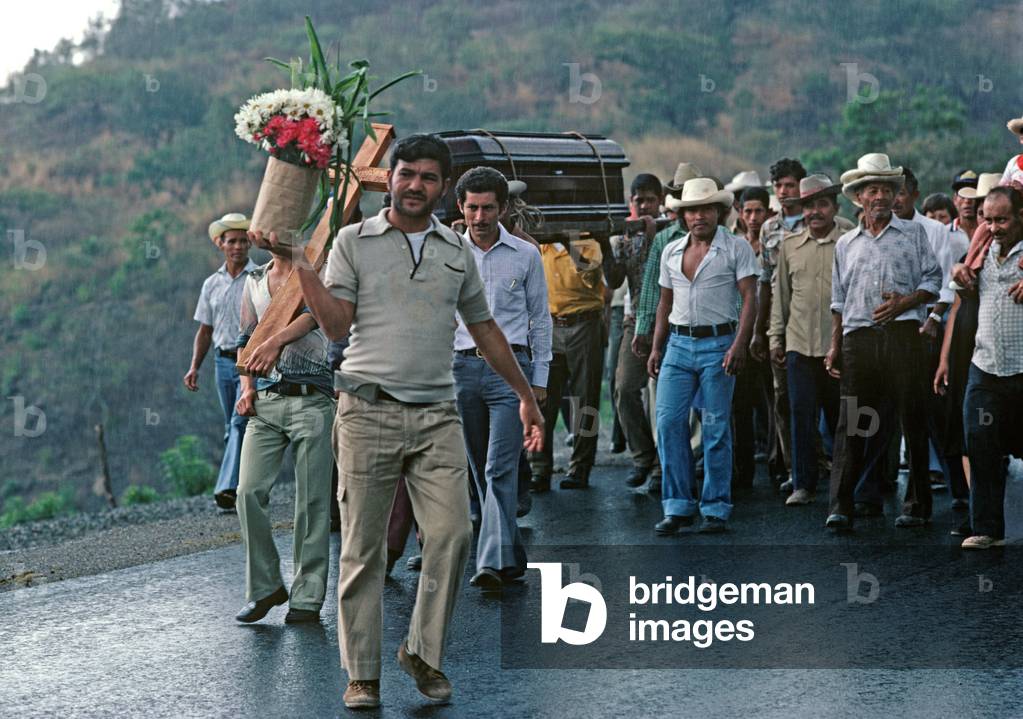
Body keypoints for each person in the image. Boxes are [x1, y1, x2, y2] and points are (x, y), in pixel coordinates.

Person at [286, 134, 544, 709]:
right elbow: (333, 327)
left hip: (436, 415)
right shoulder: (353, 241)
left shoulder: (456, 251)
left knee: (452, 535)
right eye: (407, 173)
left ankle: (423, 653)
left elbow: (485, 330)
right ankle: (363, 675)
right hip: (365, 410)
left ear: (442, 187)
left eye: (429, 177)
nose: (415, 184)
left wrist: (526, 396)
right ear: (391, 178)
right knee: (364, 548)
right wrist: (304, 267)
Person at [824, 153, 942, 532]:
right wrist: (834, 344)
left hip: (902, 336)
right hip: (858, 339)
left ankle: (918, 504)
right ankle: (842, 505)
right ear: (858, 197)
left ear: (897, 195)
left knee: (911, 417)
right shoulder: (845, 244)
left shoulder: (913, 234)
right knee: (853, 422)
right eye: (871, 190)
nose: (879, 196)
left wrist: (903, 303)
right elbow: (838, 301)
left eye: (886, 190)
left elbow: (933, 282)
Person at [452, 166, 552, 590]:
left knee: (498, 467)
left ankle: (490, 562)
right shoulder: (450, 253)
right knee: (478, 467)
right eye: (472, 208)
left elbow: (540, 319)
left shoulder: (525, 254)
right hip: (462, 368)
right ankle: (511, 557)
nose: (479, 216)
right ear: (460, 208)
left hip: (513, 372)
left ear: (503, 208)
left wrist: (539, 380)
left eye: (488, 207)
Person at [232, 232, 336, 626]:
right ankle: (266, 586)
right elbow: (244, 339)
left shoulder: (317, 271)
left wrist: (276, 341)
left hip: (313, 397)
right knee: (247, 492)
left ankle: (307, 597)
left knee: (311, 501)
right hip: (268, 398)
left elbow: (318, 315)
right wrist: (246, 388)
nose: (267, 237)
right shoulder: (255, 280)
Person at [647, 178, 759, 535]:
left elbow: (750, 298)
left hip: (718, 343)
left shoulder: (737, 248)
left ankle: (715, 506)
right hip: (678, 344)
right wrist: (656, 347)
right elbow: (665, 302)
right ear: (683, 216)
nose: (699, 216)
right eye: (692, 210)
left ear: (719, 212)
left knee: (715, 427)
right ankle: (678, 506)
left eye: (706, 209)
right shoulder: (671, 250)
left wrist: (740, 344)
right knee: (668, 423)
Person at [952, 187, 1023, 549]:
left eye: (1003, 219)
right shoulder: (982, 252)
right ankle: (985, 529)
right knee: (979, 442)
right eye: (989, 220)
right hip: (986, 364)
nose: (994, 227)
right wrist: (959, 273)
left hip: (1022, 367)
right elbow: (959, 288)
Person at [768, 175, 844, 506]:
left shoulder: (849, 241)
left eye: (822, 204)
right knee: (800, 414)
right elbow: (780, 298)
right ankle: (803, 484)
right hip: (799, 344)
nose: (815, 211)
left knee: (843, 417)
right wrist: (775, 339)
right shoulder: (789, 246)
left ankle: (845, 486)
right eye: (809, 205)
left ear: (834, 208)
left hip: (837, 346)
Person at [529, 207, 611, 493]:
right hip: (548, 327)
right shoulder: (537, 244)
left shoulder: (586, 242)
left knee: (585, 401)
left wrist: (568, 240)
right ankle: (539, 468)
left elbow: (591, 275)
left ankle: (581, 466)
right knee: (542, 400)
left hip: (583, 325)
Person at [184, 213, 257, 510]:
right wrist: (194, 367)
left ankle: (227, 487)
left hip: (249, 363)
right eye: (232, 241)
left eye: (243, 241)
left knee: (240, 421)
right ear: (221, 244)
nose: (238, 247)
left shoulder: (258, 277)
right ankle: (242, 484)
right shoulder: (211, 284)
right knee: (232, 424)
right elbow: (205, 329)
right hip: (221, 361)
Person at [751, 158, 808, 489]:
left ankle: (823, 461)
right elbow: (763, 280)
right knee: (783, 397)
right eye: (779, 186)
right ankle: (793, 468)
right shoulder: (769, 228)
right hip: (779, 321)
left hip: (811, 317)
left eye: (790, 185)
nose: (784, 192)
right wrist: (760, 331)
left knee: (819, 396)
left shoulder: (818, 222)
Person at [610, 173, 665, 491]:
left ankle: (662, 464)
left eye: (649, 199)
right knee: (625, 389)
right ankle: (643, 456)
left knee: (665, 400)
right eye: (638, 200)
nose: (643, 205)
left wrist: (652, 231)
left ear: (660, 201)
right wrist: (608, 244)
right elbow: (614, 280)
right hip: (635, 321)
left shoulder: (672, 233)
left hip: (669, 322)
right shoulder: (626, 239)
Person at [731, 185, 778, 490]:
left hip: (771, 332)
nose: (753, 217)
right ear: (739, 213)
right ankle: (743, 469)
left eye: (758, 211)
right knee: (740, 406)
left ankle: (778, 465)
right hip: (741, 334)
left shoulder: (774, 245)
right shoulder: (734, 246)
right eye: (747, 211)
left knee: (774, 404)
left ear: (768, 212)